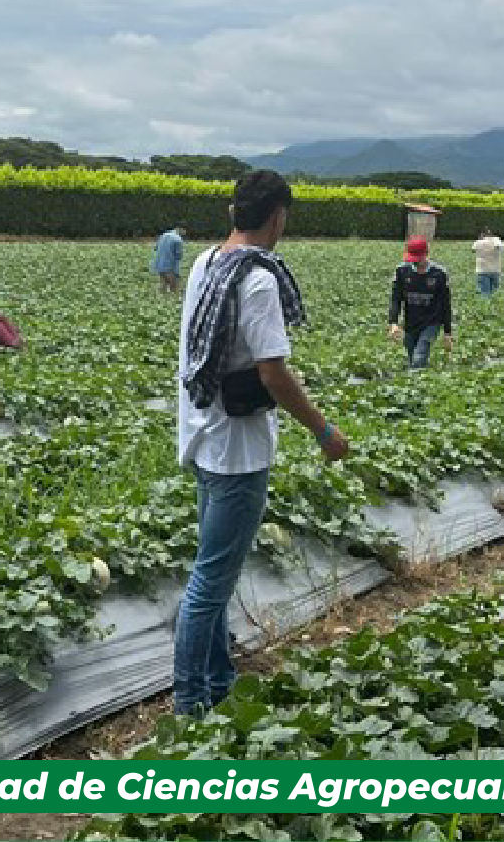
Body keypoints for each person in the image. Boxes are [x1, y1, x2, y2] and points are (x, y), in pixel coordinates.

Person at [175, 170, 349, 715]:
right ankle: (191, 705)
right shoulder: (257, 279)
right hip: (239, 450)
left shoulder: (206, 263)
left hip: (202, 433)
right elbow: (273, 373)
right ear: (277, 215)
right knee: (209, 580)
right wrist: (325, 432)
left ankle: (219, 684)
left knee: (215, 572)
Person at [387, 237, 454, 369]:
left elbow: (446, 304)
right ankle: (422, 383)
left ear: (426, 254)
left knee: (419, 358)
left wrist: (447, 332)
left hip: (431, 323)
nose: (416, 262)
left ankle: (417, 381)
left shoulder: (439, 273)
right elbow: (396, 299)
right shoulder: (402, 271)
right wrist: (393, 323)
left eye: (418, 258)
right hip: (411, 322)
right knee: (412, 356)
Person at [471, 227, 504, 297]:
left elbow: (473, 250)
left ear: (481, 234)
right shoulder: (497, 240)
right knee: (495, 295)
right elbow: (499, 247)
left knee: (485, 295)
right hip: (495, 271)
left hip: (482, 271)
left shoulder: (478, 242)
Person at [152, 227, 186, 293]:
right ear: (181, 231)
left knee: (163, 285)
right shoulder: (178, 239)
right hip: (170, 266)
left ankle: (162, 300)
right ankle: (172, 300)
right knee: (174, 286)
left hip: (158, 264)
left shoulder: (164, 235)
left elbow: (155, 248)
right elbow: (179, 256)